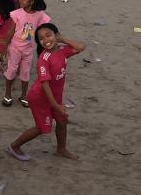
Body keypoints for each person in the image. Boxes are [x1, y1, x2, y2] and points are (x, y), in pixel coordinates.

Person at [7, 23, 84, 161]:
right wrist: (55, 105)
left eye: (49, 35)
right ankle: (14, 146)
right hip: (40, 99)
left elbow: (80, 47)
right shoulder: (44, 59)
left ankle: (61, 149)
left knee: (62, 121)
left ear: (56, 35)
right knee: (41, 128)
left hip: (54, 97)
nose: (46, 40)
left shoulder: (61, 51)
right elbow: (45, 85)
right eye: (41, 39)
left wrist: (63, 39)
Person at [1, 0, 51, 108]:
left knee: (25, 72)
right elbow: (11, 31)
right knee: (11, 70)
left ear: (32, 1)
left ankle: (24, 95)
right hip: (15, 48)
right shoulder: (17, 13)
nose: (20, 1)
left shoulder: (40, 15)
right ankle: (8, 94)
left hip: (29, 50)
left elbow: (44, 30)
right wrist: (5, 46)